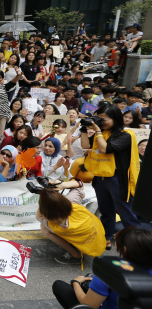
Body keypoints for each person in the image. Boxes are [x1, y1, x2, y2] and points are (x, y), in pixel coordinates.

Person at [81, 104, 140, 250]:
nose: (100, 122)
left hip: (117, 179)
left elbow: (105, 149)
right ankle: (106, 238)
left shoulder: (125, 135)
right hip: (100, 177)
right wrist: (83, 128)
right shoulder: (100, 133)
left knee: (126, 212)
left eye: (104, 119)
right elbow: (84, 145)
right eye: (98, 119)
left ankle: (137, 244)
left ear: (115, 119)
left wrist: (98, 131)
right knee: (105, 209)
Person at [52, 226, 152, 309]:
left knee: (58, 285)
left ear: (125, 250)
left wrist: (76, 283)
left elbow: (88, 305)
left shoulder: (108, 272)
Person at [36, 182, 106, 265]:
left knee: (44, 228)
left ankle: (75, 255)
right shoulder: (72, 201)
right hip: (99, 239)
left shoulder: (57, 227)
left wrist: (44, 197)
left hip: (90, 248)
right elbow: (80, 185)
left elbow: (38, 216)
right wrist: (62, 185)